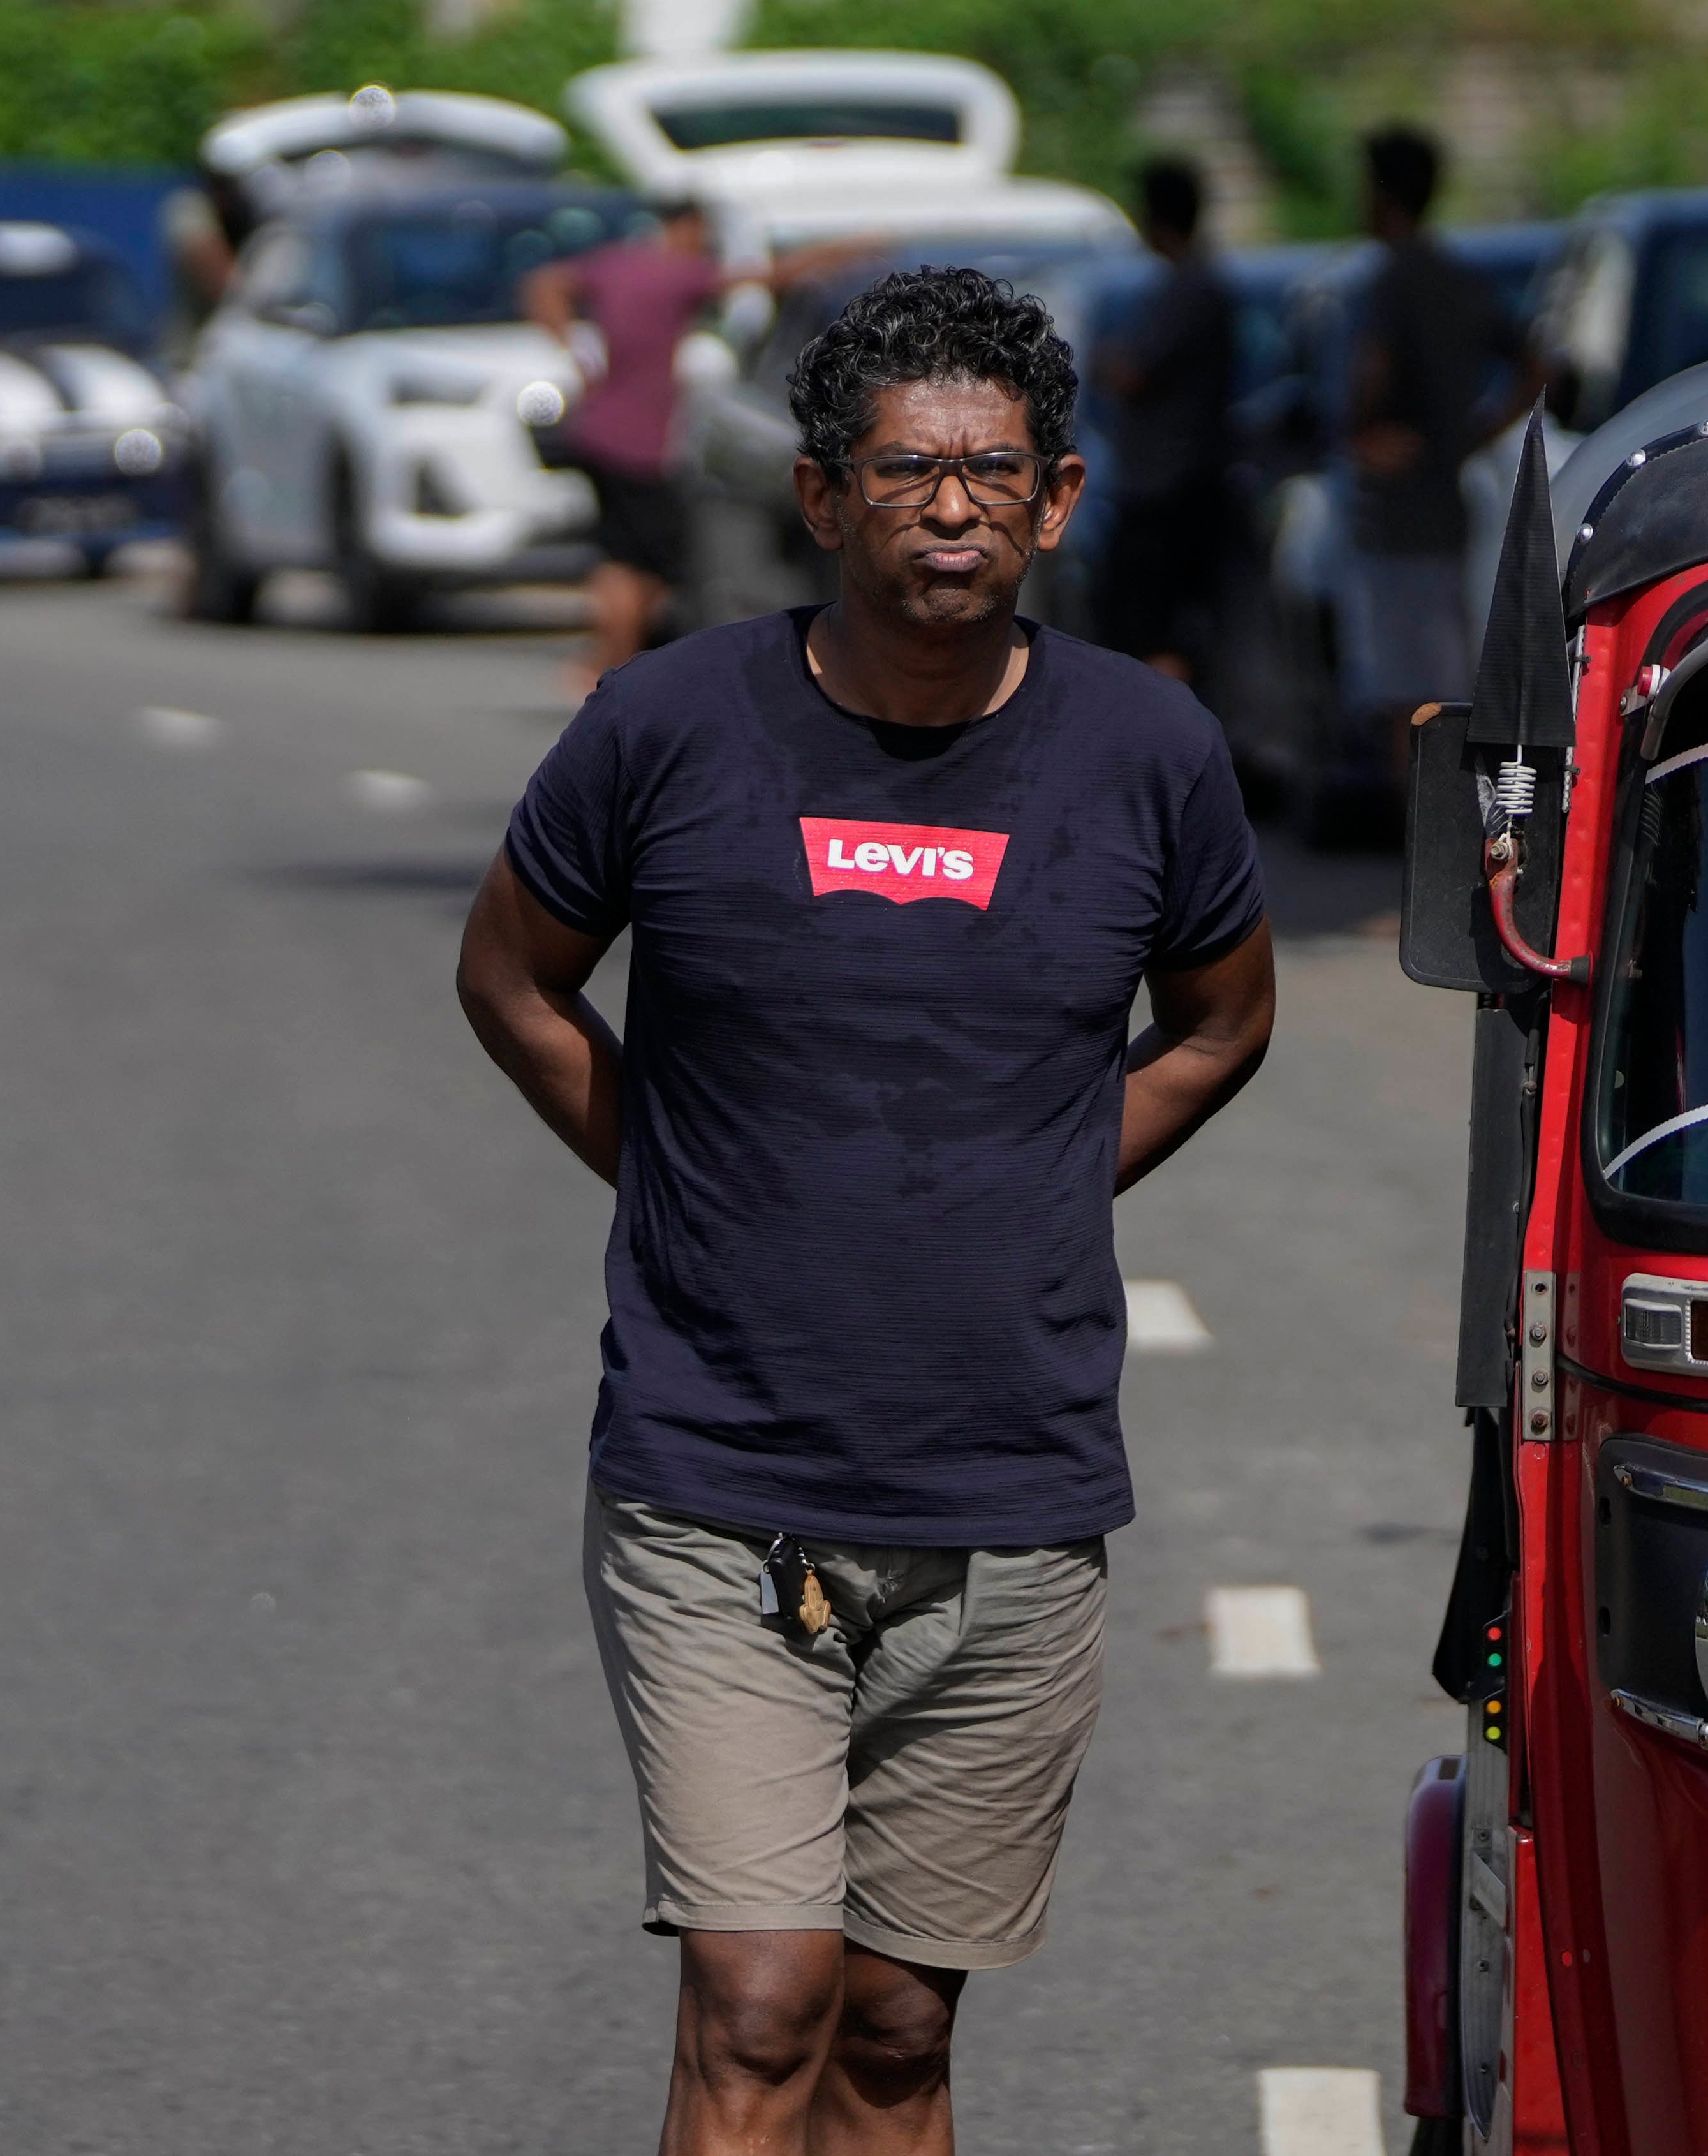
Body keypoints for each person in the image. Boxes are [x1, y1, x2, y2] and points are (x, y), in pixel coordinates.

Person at [455, 266, 1277, 2156]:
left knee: (898, 2030)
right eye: (905, 474)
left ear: (1058, 498)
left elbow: (1223, 1022)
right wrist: (674, 1172)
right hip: (716, 1473)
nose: (952, 510)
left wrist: (1047, 1183)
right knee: (760, 2009)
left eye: (993, 475)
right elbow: (510, 976)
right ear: (824, 498)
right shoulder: (667, 728)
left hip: (1007, 1489)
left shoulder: (1144, 760)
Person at [1332, 124, 1533, 760]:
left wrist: (1359, 431)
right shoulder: (1458, 277)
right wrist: (1475, 434)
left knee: (1409, 701)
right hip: (1451, 504)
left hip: (1399, 513)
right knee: (1451, 678)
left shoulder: (1391, 281)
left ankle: (1422, 844)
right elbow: (1536, 363)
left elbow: (1374, 371)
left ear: (1382, 194)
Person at [526, 194, 727, 694]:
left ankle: (608, 658)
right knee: (646, 564)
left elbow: (544, 282)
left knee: (619, 555)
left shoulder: (618, 264)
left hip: (600, 434)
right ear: (686, 226)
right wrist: (838, 252)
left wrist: (573, 349)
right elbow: (763, 279)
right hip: (642, 448)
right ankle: (612, 661)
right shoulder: (680, 272)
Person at [1086, 155, 1242, 683]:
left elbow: (1134, 374)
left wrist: (1103, 359)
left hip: (1167, 489)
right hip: (1176, 483)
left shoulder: (1188, 290)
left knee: (1153, 624)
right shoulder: (1196, 285)